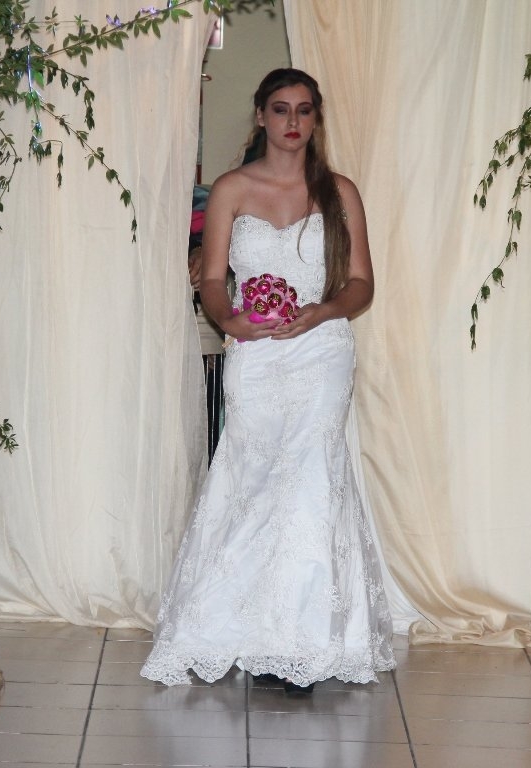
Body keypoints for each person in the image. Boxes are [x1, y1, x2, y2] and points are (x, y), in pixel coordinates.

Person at [140, 68, 395, 691]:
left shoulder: (339, 191)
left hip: (321, 352)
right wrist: (229, 319)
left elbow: (361, 284)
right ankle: (233, 628)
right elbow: (213, 279)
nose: (292, 122)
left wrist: (322, 312)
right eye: (281, 109)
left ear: (315, 119)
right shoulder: (232, 188)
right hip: (254, 355)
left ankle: (301, 643)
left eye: (304, 110)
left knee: (310, 480)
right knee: (251, 480)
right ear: (261, 115)